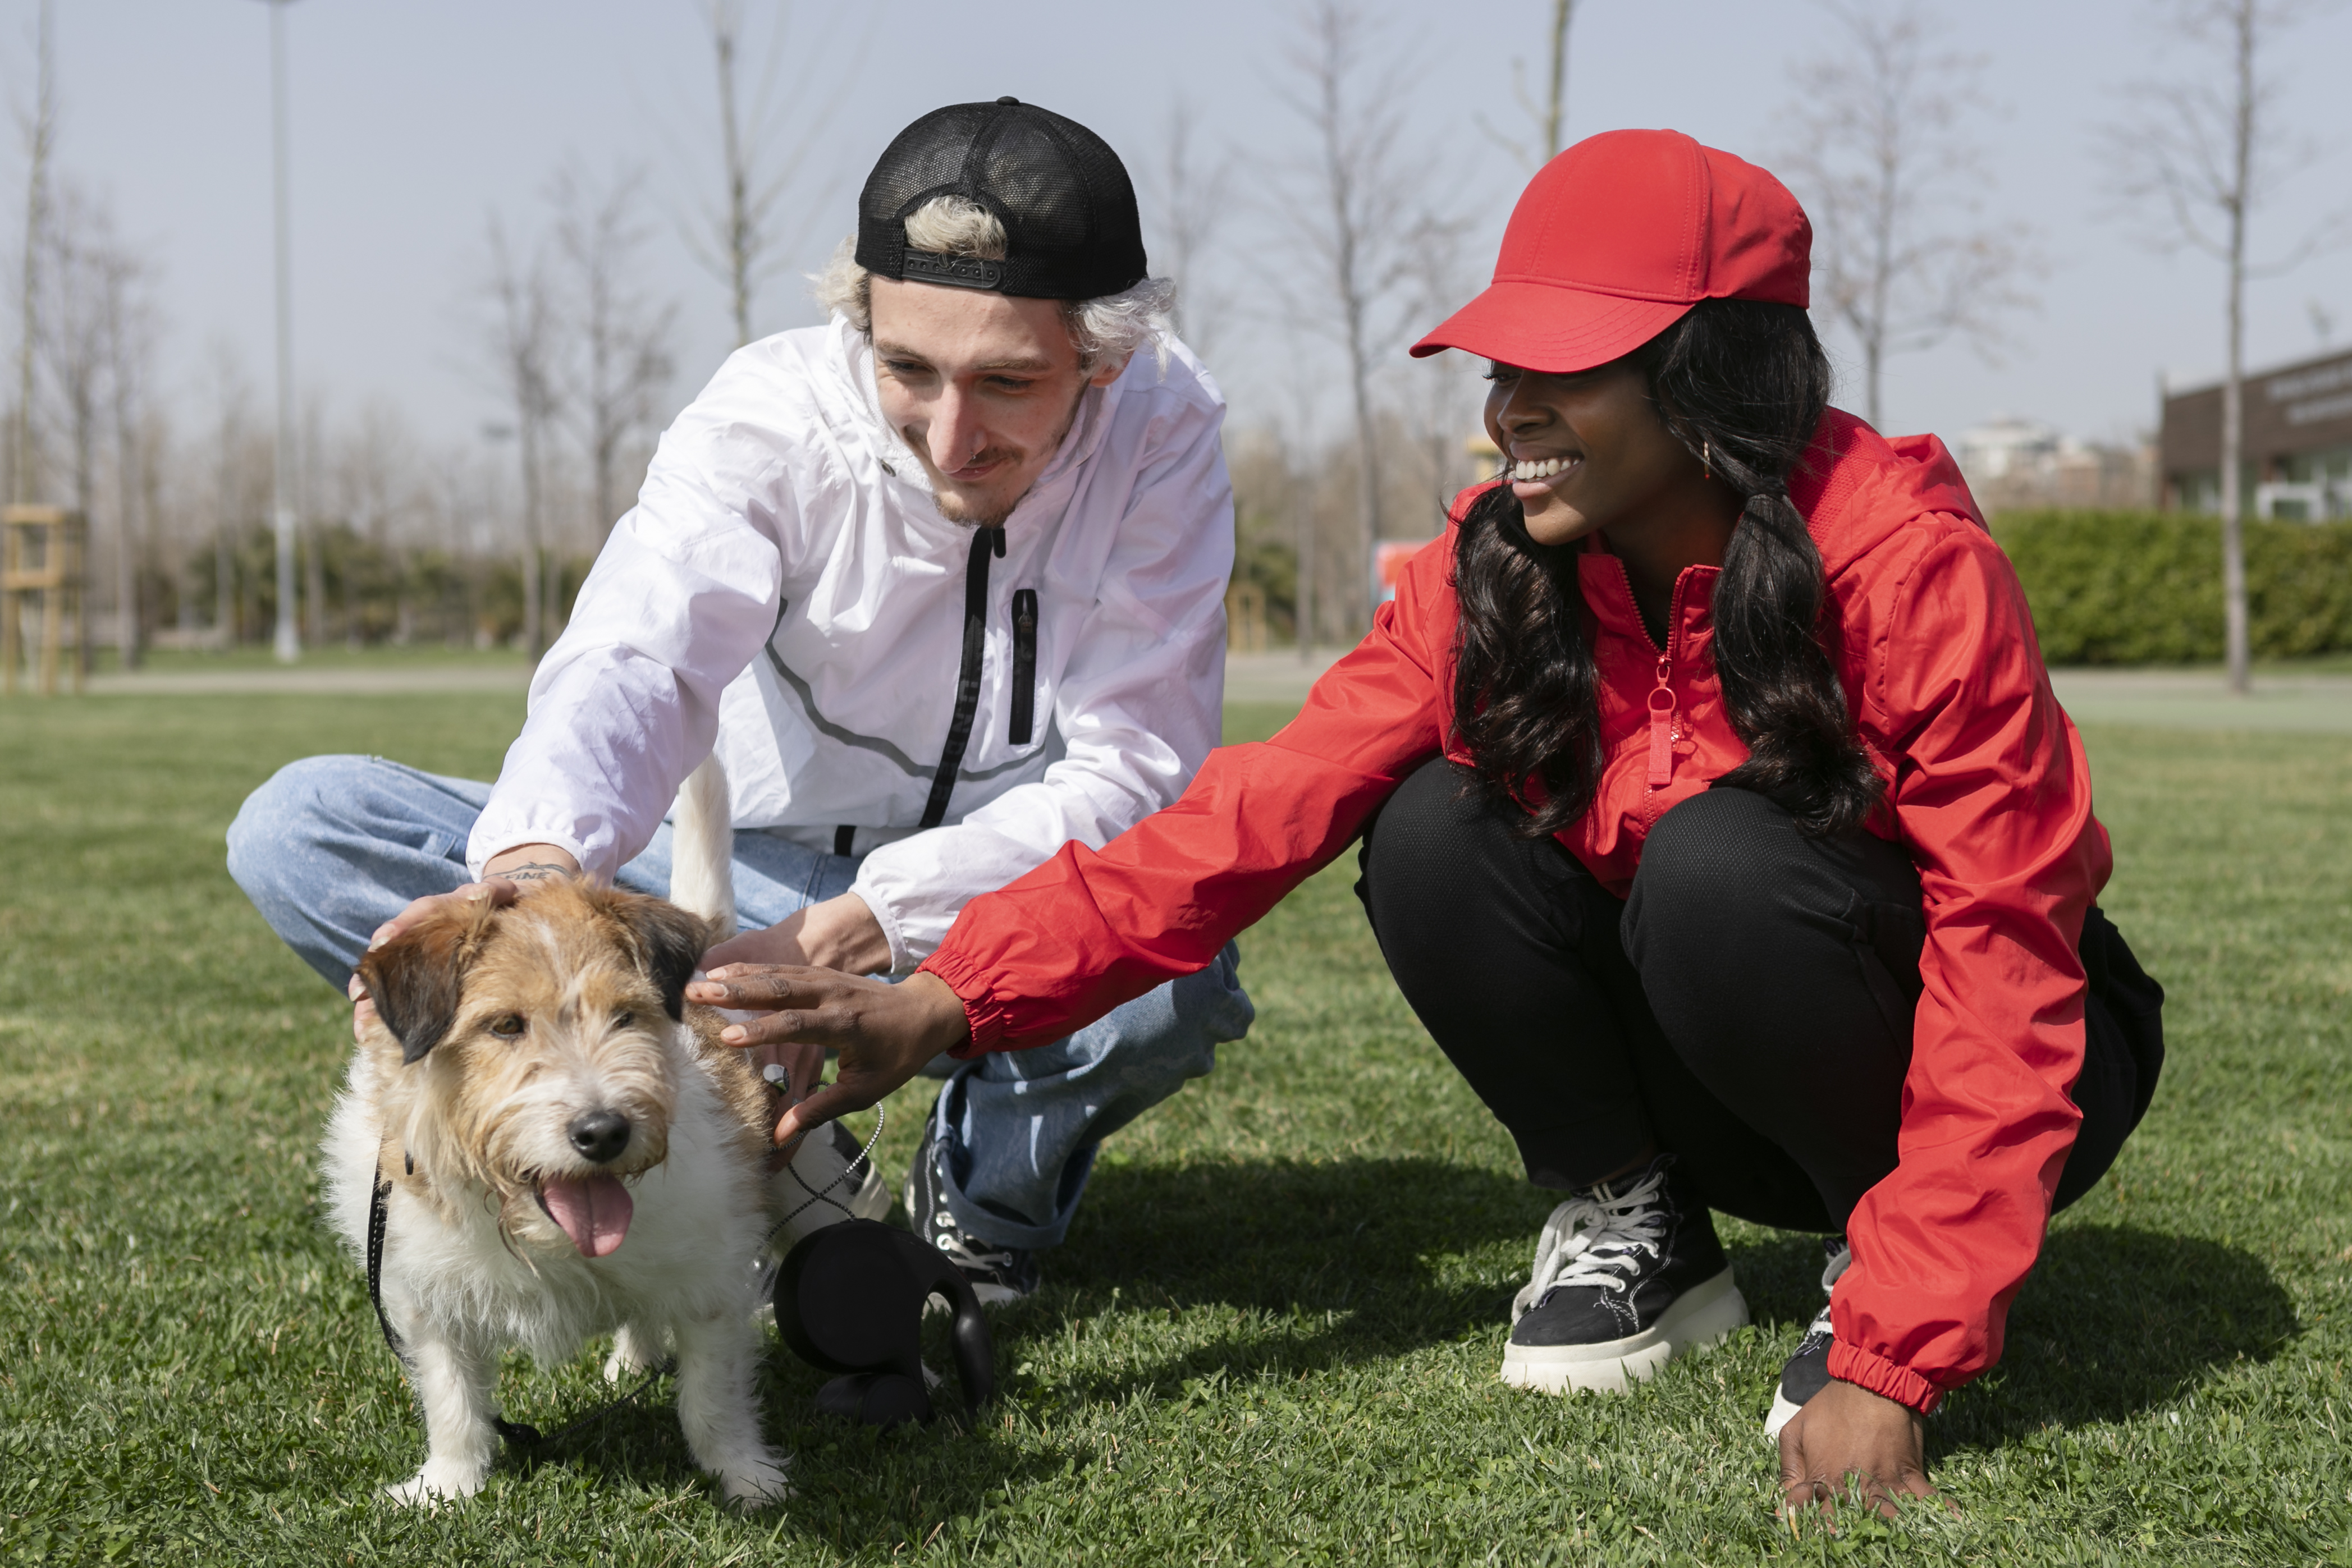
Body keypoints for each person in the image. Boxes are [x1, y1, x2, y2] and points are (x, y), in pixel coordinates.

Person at [688, 129, 2165, 1518]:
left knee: (1720, 860)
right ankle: (1631, 1213)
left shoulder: (1899, 562)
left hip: (1966, 1057)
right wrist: (946, 999)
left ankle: (1873, 1257)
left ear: (1714, 372)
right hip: (1723, 1066)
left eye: (1564, 365)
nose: (1507, 405)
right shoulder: (1495, 575)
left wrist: (1888, 1358)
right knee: (1426, 823)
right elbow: (1247, 818)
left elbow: (2006, 954)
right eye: (1501, 361)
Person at [226, 98, 1255, 1305]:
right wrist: (537, 865)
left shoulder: (1165, 427)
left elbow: (1135, 769)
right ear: (859, 319)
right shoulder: (767, 410)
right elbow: (637, 654)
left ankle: (975, 1209)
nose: (948, 433)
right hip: (723, 886)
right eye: (908, 368)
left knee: (1178, 969)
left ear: (1105, 356)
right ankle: (603, 1121)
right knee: (302, 826)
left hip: (989, 898)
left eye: (1008, 383)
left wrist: (868, 924)